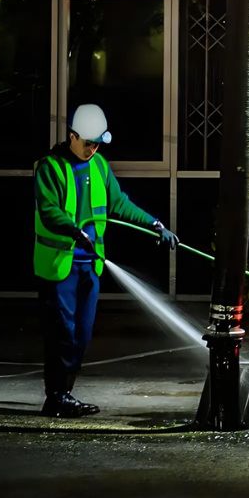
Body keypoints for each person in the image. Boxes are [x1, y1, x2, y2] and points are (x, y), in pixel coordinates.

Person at [33, 104, 177, 418]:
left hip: (90, 266)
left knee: (81, 334)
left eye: (97, 143)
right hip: (60, 267)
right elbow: (49, 211)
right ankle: (56, 397)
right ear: (72, 136)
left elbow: (118, 203)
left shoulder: (98, 166)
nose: (93, 148)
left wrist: (154, 225)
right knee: (63, 334)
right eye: (88, 143)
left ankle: (64, 394)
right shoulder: (50, 167)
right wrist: (74, 231)